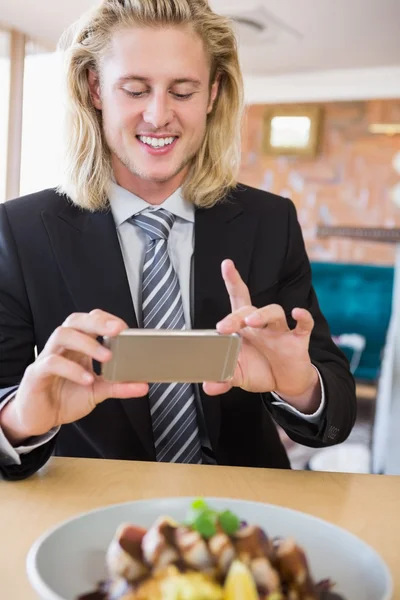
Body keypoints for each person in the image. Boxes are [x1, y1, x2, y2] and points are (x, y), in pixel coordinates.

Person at [0, 0, 356, 481]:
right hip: (89, 505)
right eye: (135, 89)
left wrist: (298, 385)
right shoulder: (19, 232)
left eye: (183, 91)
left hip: (244, 509)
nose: (158, 115)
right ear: (95, 89)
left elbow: (333, 414)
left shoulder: (270, 221)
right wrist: (24, 417)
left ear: (212, 94)